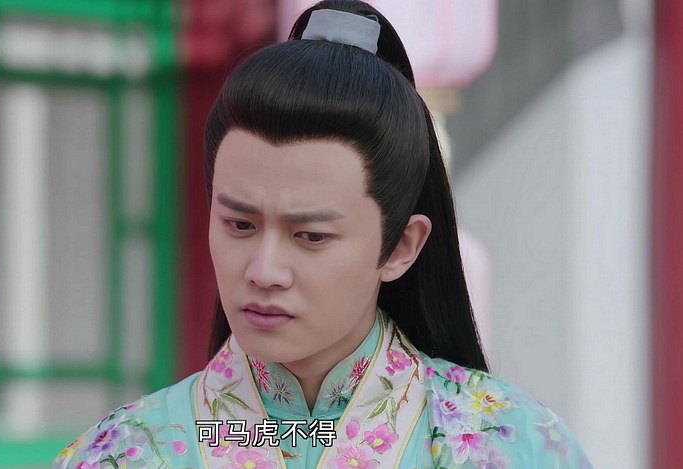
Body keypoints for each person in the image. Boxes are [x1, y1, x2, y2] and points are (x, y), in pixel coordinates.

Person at [53, 1, 593, 467]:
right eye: (239, 224)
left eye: (310, 235)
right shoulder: (123, 454)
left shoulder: (515, 448)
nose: (263, 271)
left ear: (401, 245)